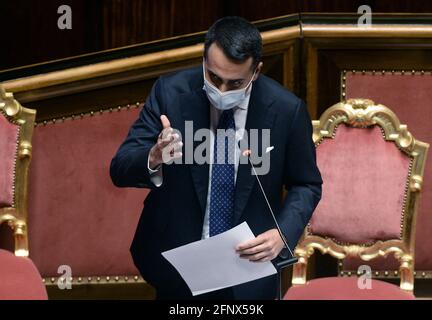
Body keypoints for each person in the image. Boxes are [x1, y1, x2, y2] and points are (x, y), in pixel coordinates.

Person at [110, 16, 322, 299]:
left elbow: (306, 184)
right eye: (214, 78)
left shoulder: (286, 110)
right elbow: (120, 168)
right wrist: (154, 156)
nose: (221, 91)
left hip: (248, 266)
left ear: (256, 71)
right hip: (178, 262)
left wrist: (282, 234)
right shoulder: (169, 92)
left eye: (235, 83)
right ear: (204, 60)